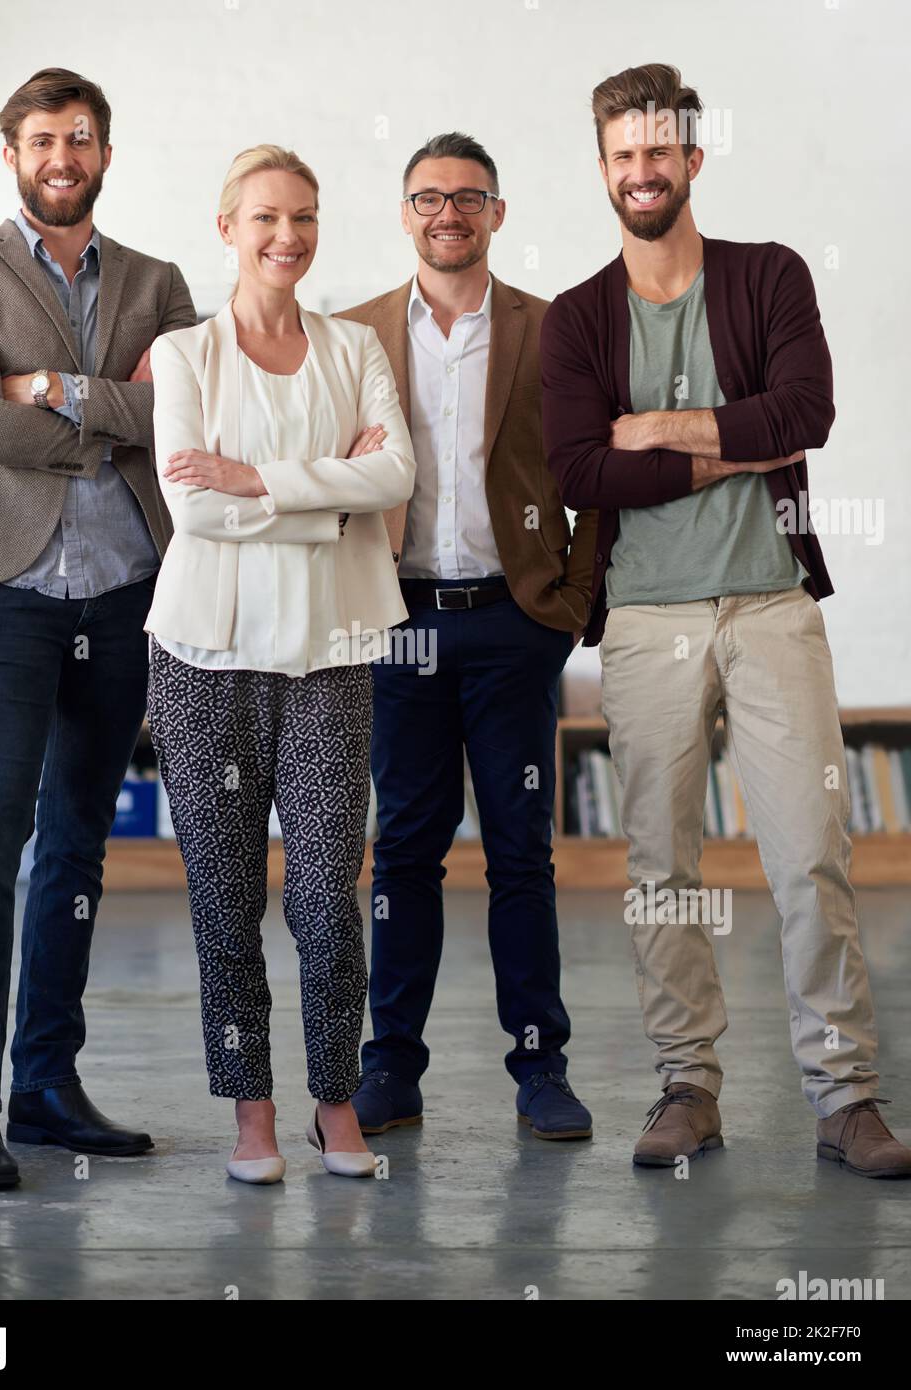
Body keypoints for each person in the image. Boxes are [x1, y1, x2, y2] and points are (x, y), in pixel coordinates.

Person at [541, 62, 911, 1178]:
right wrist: (724, 449)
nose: (642, 170)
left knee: (812, 854)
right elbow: (577, 469)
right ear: (603, 168)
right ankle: (687, 1088)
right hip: (646, 621)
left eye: (661, 151)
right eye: (623, 154)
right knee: (663, 862)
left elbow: (808, 415)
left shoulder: (770, 277)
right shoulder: (576, 319)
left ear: (693, 159)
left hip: (771, 602)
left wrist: (657, 429)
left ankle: (846, 1099)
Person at [0, 68, 197, 1189]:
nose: (62, 154)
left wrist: (57, 389)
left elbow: (183, 410)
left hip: (127, 589)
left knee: (79, 842)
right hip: (5, 588)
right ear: (14, 154)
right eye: (43, 138)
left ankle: (45, 1084)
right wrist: (104, 408)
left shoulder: (157, 279)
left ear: (105, 153)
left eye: (81, 137)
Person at [145, 145, 416, 1183]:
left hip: (329, 658)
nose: (287, 237)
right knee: (224, 902)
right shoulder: (183, 356)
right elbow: (193, 507)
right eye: (264, 218)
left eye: (303, 216)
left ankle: (334, 1106)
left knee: (323, 900)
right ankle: (251, 1115)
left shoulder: (354, 347)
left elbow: (396, 470)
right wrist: (330, 498)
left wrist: (261, 478)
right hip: (203, 660)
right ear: (228, 228)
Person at [335, 134, 597, 1141]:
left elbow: (597, 471)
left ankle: (541, 1067)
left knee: (521, 854)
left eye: (469, 198)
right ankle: (391, 1065)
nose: (449, 213)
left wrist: (566, 608)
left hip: (511, 625)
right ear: (406, 213)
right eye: (428, 198)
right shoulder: (353, 335)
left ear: (498, 211)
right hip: (397, 626)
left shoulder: (555, 329)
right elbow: (324, 482)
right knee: (402, 852)